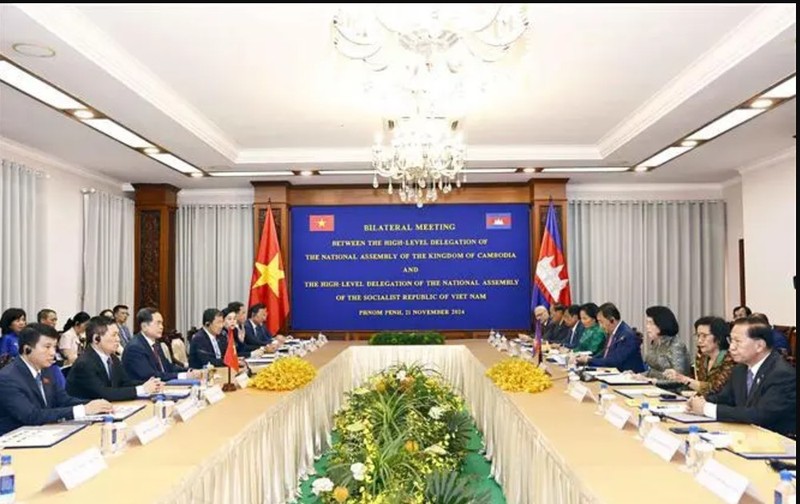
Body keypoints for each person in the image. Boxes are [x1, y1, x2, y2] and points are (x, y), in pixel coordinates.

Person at [687, 319, 796, 436]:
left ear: (759, 346)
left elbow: (760, 415)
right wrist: (700, 401)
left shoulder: (782, 374)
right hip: (746, 435)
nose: (731, 348)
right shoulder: (740, 369)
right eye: (731, 341)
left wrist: (707, 409)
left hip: (777, 441)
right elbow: (725, 398)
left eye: (737, 342)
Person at [0, 323, 113, 435]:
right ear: (27, 349)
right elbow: (31, 416)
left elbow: (63, 400)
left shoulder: (46, 370)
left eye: (54, 347)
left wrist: (94, 405)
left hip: (44, 432)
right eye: (47, 347)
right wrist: (83, 410)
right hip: (14, 441)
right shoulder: (7, 378)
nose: (53, 353)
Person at [67, 316, 163, 401]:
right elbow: (104, 393)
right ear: (96, 339)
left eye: (118, 335)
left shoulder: (113, 358)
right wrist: (142, 389)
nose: (118, 339)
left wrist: (149, 384)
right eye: (114, 335)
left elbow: (125, 383)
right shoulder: (84, 363)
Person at [122, 307, 199, 382]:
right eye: (158, 323)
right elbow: (150, 376)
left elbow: (167, 367)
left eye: (162, 323)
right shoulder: (135, 348)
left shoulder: (156, 343)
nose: (162, 327)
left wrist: (191, 371)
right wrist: (184, 376)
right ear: (144, 327)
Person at [664, 316, 735, 396]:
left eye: (704, 336)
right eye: (698, 336)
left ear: (718, 337)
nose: (699, 340)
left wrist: (683, 379)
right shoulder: (702, 357)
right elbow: (700, 387)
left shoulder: (730, 359)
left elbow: (716, 389)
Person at [577, 303, 645, 372]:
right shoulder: (613, 332)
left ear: (612, 320)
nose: (600, 326)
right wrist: (588, 358)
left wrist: (589, 360)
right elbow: (605, 353)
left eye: (601, 322)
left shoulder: (626, 335)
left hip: (629, 377)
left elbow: (614, 361)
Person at [641, 306, 690, 380]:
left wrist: (653, 381)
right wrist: (637, 376)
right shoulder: (655, 342)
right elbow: (652, 372)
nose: (647, 327)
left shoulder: (676, 345)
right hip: (656, 388)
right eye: (647, 323)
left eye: (650, 323)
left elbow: (679, 378)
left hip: (675, 390)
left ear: (661, 323)